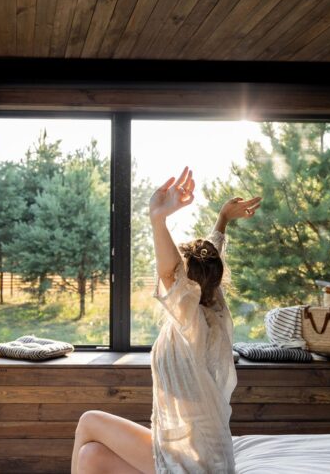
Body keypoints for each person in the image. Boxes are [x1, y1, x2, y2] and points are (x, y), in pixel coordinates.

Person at [71, 166, 261, 474]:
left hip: (194, 460)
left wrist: (157, 217)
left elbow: (171, 273)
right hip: (207, 454)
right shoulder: (215, 307)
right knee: (91, 457)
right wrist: (223, 219)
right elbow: (213, 258)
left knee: (88, 421)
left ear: (185, 284)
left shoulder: (191, 321)